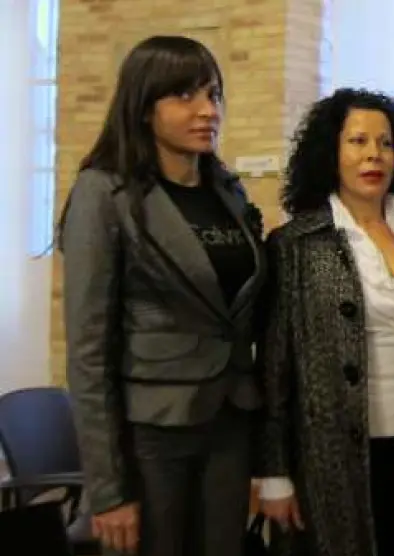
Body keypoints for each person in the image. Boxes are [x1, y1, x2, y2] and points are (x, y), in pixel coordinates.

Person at [58, 36, 266, 556]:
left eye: (213, 95)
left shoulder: (227, 191)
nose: (207, 110)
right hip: (152, 429)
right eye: (185, 96)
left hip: (229, 418)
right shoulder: (104, 193)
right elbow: (88, 351)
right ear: (144, 107)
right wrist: (107, 490)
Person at [256, 88, 394, 556]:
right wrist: (274, 472)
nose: (373, 154)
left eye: (385, 143)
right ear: (331, 152)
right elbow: (274, 366)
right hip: (328, 453)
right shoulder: (296, 244)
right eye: (357, 141)